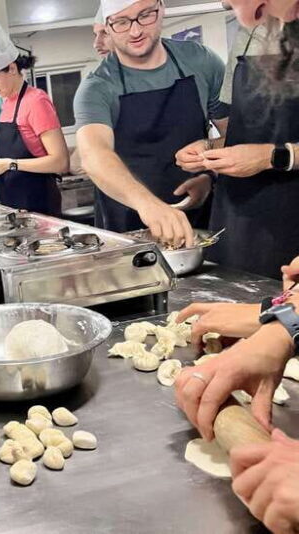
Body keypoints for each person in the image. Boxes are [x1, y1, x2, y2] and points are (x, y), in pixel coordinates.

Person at [174, 4, 299, 529]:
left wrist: (276, 156)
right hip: (243, 215)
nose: (246, 15)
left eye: (259, 1)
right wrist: (280, 320)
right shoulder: (251, 36)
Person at [74, 0, 230, 247]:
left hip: (201, 220)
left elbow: (237, 138)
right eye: (122, 22)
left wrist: (210, 175)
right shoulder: (97, 88)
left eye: (145, 15)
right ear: (108, 26)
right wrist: (148, 204)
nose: (135, 31)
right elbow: (94, 154)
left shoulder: (201, 61)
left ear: (162, 8)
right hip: (126, 226)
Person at [175, 21, 299, 279]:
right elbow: (241, 132)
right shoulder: (246, 34)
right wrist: (209, 149)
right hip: (239, 218)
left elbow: (267, 147)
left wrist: (272, 157)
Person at [0, 17, 69, 215]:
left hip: (40, 207)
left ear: (12, 68)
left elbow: (61, 162)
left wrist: (7, 164)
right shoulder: (8, 103)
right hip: (15, 207)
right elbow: (24, 154)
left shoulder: (36, 101)